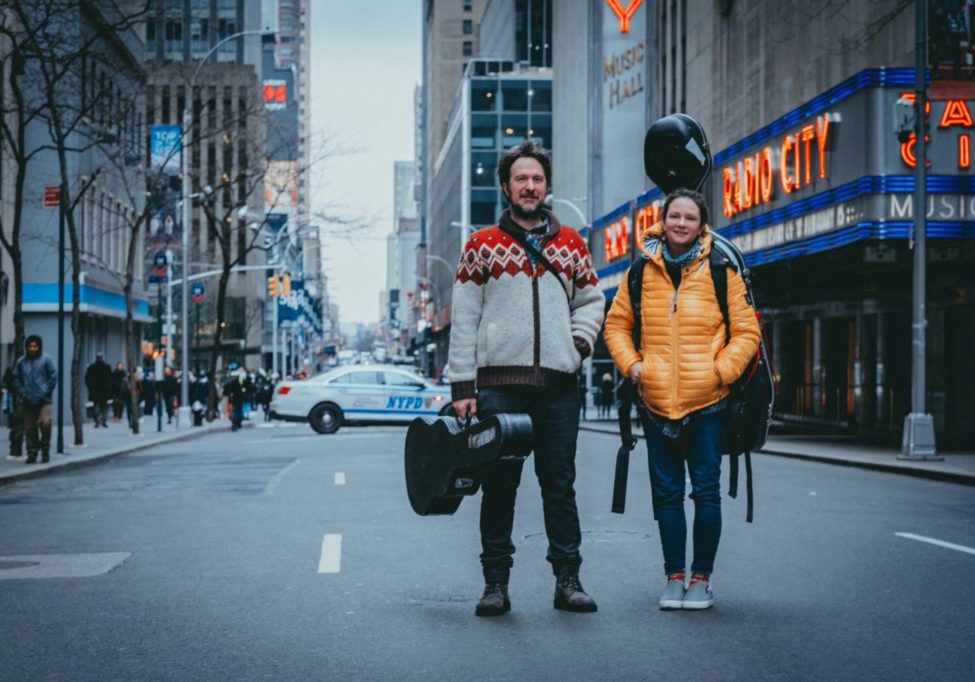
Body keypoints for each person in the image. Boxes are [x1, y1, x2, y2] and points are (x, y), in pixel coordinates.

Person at [448, 140, 605, 617]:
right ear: (506, 187)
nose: (530, 186)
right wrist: (463, 388)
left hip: (558, 388)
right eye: (521, 178)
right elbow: (464, 319)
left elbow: (592, 301)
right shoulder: (480, 246)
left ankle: (568, 580)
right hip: (500, 388)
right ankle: (495, 584)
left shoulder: (572, 243)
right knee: (500, 487)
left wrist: (577, 346)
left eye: (537, 179)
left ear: (546, 186)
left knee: (559, 486)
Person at [603, 188, 760, 611]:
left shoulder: (720, 268)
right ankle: (673, 577)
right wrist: (634, 367)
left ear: (701, 224)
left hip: (708, 404)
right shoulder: (640, 270)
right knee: (667, 495)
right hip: (656, 405)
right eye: (675, 216)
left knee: (705, 493)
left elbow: (747, 331)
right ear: (663, 219)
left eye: (690, 218)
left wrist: (721, 371)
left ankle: (701, 580)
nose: (681, 224)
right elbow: (615, 325)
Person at [11, 335, 58, 464]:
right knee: (30, 428)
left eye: (35, 346)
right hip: (27, 400)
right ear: (27, 347)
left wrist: (45, 392)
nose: (32, 349)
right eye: (30, 346)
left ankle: (45, 448)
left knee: (45, 423)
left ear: (39, 347)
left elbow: (53, 376)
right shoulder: (21, 361)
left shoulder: (46, 359)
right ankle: (32, 452)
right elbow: (15, 378)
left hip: (44, 400)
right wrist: (22, 392)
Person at [84, 353, 114, 428]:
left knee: (95, 406)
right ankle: (103, 421)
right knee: (104, 407)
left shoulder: (91, 367)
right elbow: (111, 380)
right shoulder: (107, 367)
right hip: (104, 391)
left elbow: (87, 379)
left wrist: (90, 387)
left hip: (95, 391)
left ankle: (97, 421)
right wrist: (110, 389)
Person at [3, 365, 24, 460]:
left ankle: (15, 450)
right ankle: (16, 450)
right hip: (16, 400)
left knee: (17, 425)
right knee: (18, 425)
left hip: (16, 400)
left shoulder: (13, 368)